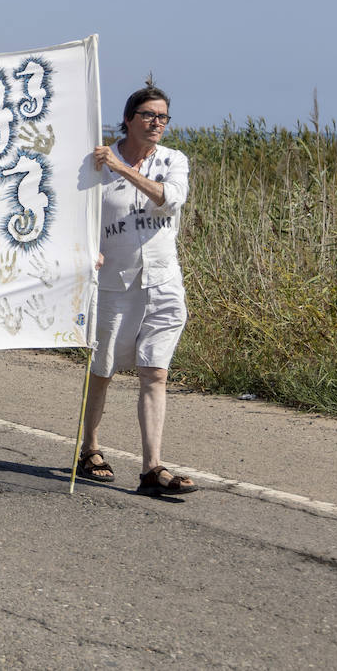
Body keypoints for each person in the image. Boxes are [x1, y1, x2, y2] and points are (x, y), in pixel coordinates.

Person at [81, 82, 198, 496]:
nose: (157, 123)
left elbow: (169, 201)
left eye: (163, 117)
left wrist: (122, 168)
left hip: (163, 281)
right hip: (115, 282)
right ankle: (90, 448)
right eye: (148, 115)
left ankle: (152, 467)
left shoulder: (173, 161)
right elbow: (81, 218)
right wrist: (86, 250)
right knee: (104, 367)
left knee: (156, 372)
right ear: (129, 118)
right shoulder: (95, 164)